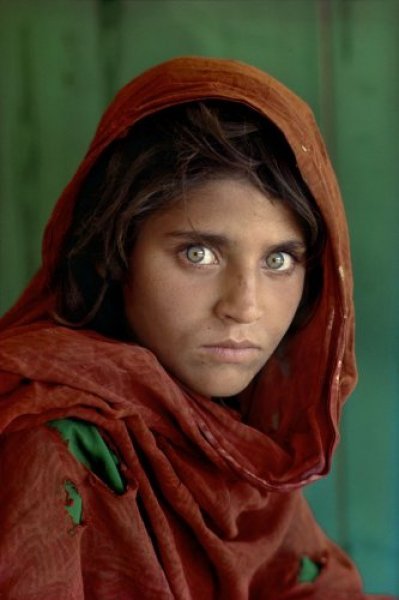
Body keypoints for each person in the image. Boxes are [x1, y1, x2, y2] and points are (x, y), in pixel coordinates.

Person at [0, 56, 393, 599]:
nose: (245, 307)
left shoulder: (231, 441)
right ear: (115, 253)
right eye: (199, 252)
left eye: (279, 261)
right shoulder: (51, 445)